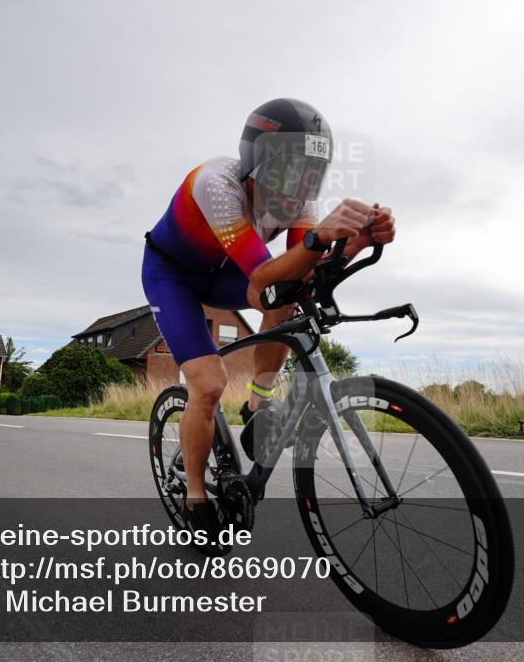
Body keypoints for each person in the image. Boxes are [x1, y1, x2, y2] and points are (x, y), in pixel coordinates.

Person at [140, 98, 396, 542]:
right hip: (173, 276)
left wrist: (352, 244)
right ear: (255, 160)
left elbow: (301, 273)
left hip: (225, 273)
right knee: (208, 384)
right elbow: (262, 276)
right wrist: (318, 238)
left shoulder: (300, 203)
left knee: (289, 297)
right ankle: (194, 494)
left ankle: (258, 401)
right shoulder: (217, 184)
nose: (299, 186)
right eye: (287, 171)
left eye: (310, 174)